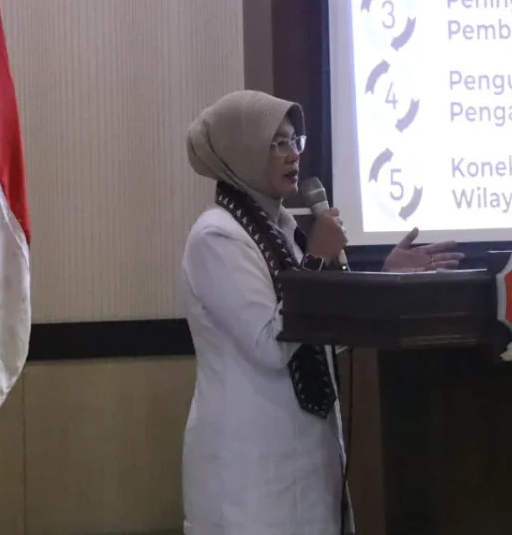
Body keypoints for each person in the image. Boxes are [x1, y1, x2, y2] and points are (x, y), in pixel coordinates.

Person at [179, 90, 463, 534]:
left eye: (294, 140)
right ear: (241, 151)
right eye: (276, 143)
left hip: (307, 458)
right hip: (248, 466)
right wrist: (314, 260)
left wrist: (385, 279)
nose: (292, 154)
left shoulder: (283, 229)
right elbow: (270, 345)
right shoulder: (216, 237)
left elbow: (324, 336)